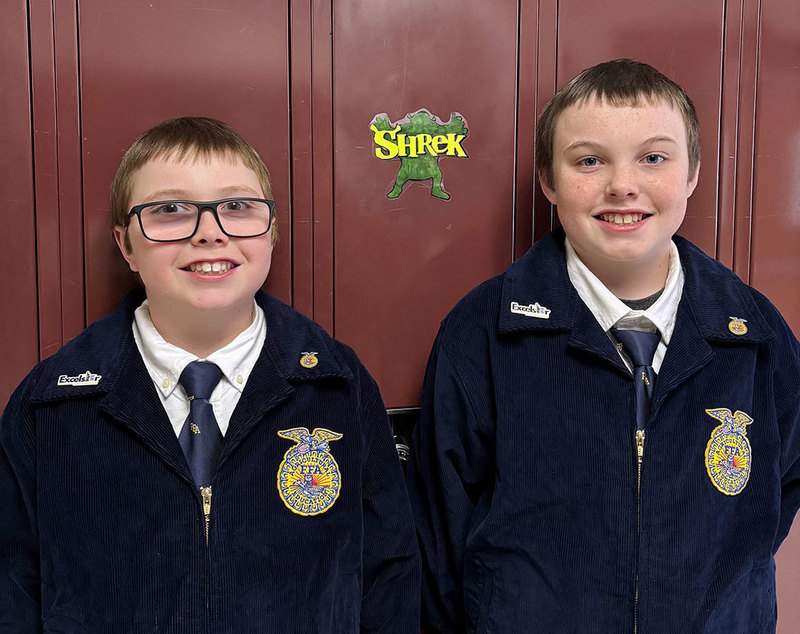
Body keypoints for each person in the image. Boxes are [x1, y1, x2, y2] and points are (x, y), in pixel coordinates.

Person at [405, 59, 800, 633]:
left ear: (692, 174)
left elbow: (778, 487)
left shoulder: (755, 332)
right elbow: (438, 529)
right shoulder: (483, 331)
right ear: (548, 181)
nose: (622, 185)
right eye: (589, 161)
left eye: (653, 158)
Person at [0, 117, 420, 632]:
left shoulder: (339, 386)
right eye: (170, 210)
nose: (209, 232)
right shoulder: (50, 404)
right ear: (126, 245)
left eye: (238, 206)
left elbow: (389, 573)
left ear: (272, 232)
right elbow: (14, 588)